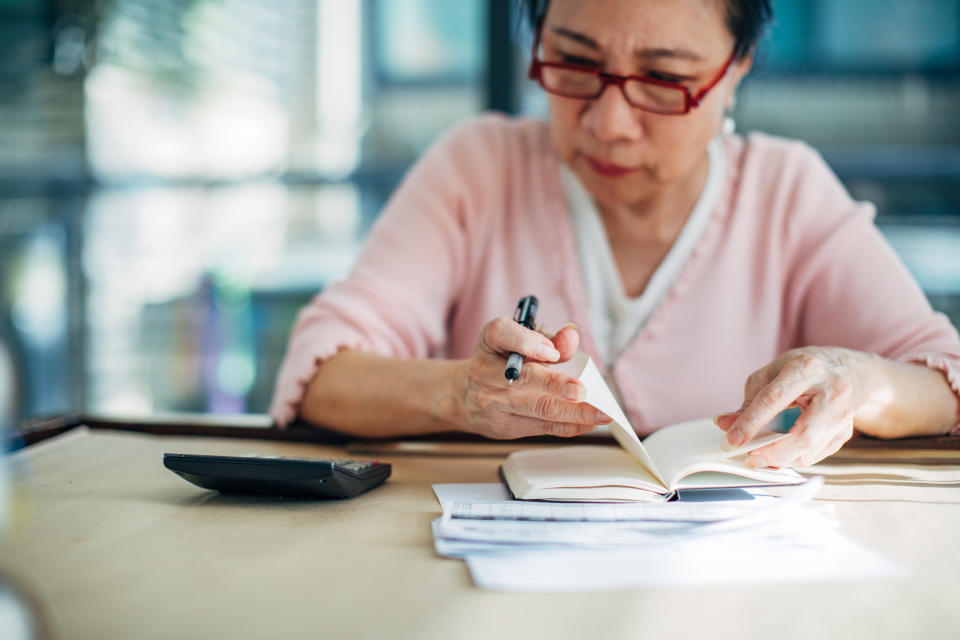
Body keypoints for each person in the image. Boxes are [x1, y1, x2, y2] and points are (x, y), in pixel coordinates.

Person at [270, 0, 960, 468]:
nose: (608, 123)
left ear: (735, 70)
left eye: (664, 79)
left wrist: (858, 381)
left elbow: (945, 380)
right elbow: (321, 375)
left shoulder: (786, 192)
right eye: (572, 63)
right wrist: (461, 393)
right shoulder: (478, 168)